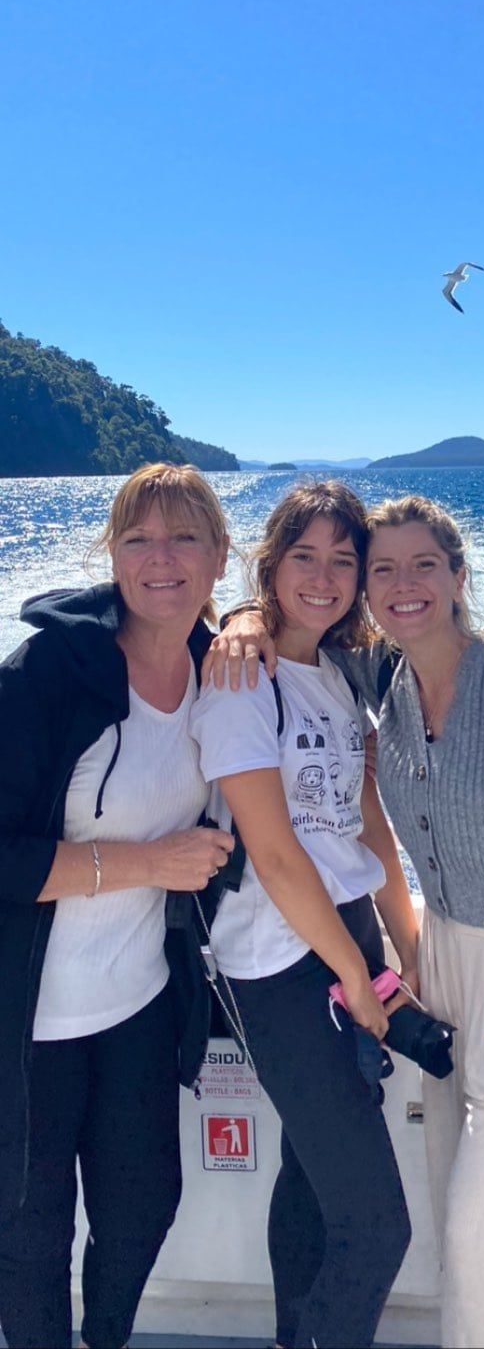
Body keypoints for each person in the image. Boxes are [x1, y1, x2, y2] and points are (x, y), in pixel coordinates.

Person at [211, 491, 484, 1349]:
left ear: (458, 576)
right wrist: (239, 616)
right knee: (459, 1216)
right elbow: (296, 637)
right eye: (382, 569)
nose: (399, 584)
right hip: (436, 963)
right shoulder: (381, 679)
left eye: (423, 566)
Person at [0, 463, 234, 1349]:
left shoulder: (226, 673)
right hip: (28, 1017)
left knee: (141, 1210)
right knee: (28, 1234)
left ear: (219, 557)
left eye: (183, 537)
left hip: (139, 1003)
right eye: (137, 538)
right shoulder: (47, 675)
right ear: (112, 556)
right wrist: (147, 862)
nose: (159, 558)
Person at [189, 482, 415, 1349]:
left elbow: (367, 825)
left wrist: (404, 942)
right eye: (304, 555)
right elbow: (276, 854)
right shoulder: (239, 678)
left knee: (315, 1179)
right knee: (378, 1226)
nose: (322, 576)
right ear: (272, 562)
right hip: (276, 963)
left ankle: (296, 1334)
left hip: (347, 931)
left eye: (342, 560)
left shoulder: (333, 673)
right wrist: (356, 979)